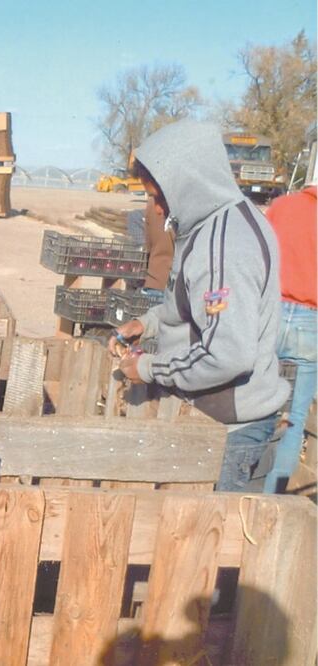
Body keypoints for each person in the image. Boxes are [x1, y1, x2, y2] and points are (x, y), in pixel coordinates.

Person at [110, 120, 290, 492]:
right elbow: (191, 306)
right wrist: (148, 323)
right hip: (216, 421)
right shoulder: (210, 226)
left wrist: (148, 367)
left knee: (213, 543)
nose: (156, 211)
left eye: (159, 197)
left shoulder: (226, 245)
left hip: (230, 430)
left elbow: (227, 355)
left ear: (187, 184)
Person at [262, 183, 316, 493]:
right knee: (295, 417)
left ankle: (243, 482)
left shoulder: (282, 206)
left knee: (257, 402)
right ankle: (274, 493)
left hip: (272, 311)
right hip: (310, 318)